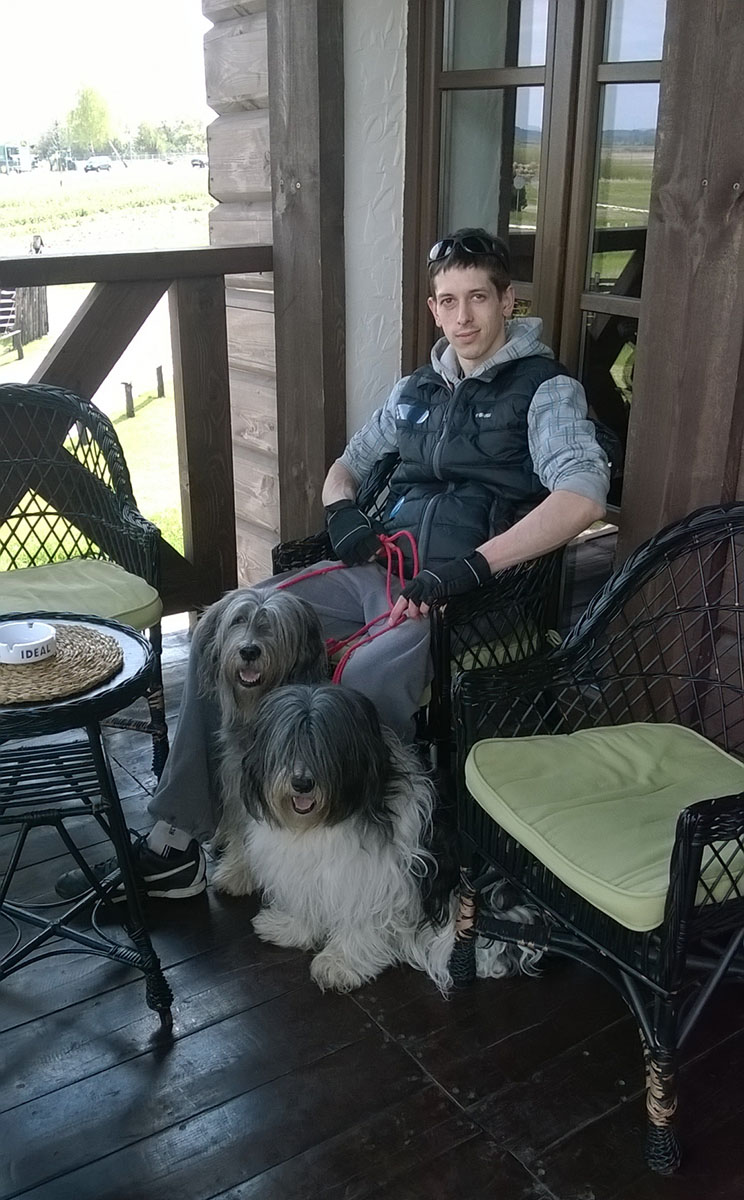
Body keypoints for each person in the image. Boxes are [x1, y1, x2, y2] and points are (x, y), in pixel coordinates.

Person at [56, 227, 610, 901]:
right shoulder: (416, 389)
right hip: (377, 570)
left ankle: (352, 857)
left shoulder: (545, 390)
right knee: (223, 630)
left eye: (477, 298)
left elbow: (582, 495)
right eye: (448, 301)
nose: (463, 317)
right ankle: (177, 839)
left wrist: (469, 569)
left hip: (466, 594)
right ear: (433, 308)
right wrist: (343, 512)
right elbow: (346, 466)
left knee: (366, 676)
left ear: (506, 300)